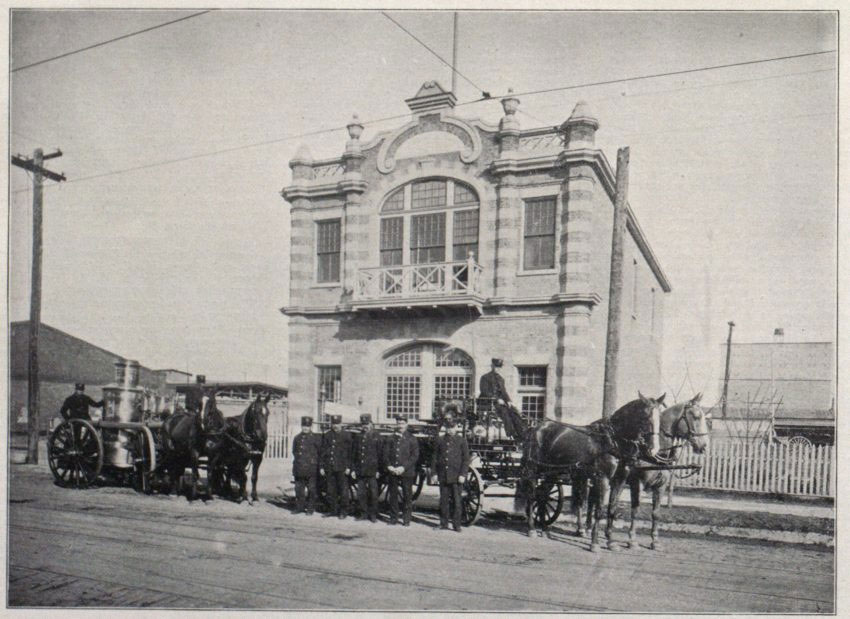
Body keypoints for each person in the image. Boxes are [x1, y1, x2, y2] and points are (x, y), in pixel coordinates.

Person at [430, 419, 471, 532]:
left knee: (457, 502)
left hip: (456, 476)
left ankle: (456, 525)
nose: (450, 430)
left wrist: (463, 474)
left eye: (453, 427)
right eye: (448, 427)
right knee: (443, 501)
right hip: (443, 475)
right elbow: (434, 458)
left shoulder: (461, 441)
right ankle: (443, 523)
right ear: (446, 428)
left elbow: (466, 460)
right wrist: (434, 474)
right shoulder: (440, 440)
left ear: (457, 428)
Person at [384, 416, 419, 526]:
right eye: (398, 423)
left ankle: (406, 519)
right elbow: (385, 454)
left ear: (406, 424)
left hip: (406, 472)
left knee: (407, 495)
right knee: (393, 495)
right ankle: (393, 518)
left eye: (402, 423)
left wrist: (403, 467)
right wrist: (389, 466)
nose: (400, 426)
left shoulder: (412, 438)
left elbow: (414, 456)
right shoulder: (390, 438)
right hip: (393, 471)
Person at [479, 358, 525, 440]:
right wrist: (496, 399)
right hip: (488, 403)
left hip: (500, 403)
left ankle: (521, 434)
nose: (498, 369)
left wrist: (509, 401)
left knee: (515, 412)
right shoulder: (485, 378)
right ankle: (510, 434)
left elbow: (504, 392)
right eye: (496, 367)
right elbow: (484, 391)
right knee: (504, 413)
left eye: (499, 367)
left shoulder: (501, 379)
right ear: (492, 366)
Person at [321, 414, 352, 519]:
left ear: (341, 424)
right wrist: (322, 467)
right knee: (331, 490)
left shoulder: (347, 436)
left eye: (337, 424)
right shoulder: (327, 435)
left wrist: (348, 467)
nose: (335, 426)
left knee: (343, 491)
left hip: (342, 468)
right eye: (333, 424)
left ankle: (344, 511)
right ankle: (332, 510)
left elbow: (351, 453)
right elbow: (323, 452)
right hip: (330, 467)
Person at [351, 413, 381, 522]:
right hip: (361, 470)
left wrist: (378, 470)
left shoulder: (376, 436)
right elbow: (354, 454)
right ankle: (363, 514)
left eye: (367, 424)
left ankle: (373, 515)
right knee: (361, 494)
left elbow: (380, 455)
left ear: (371, 424)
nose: (365, 426)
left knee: (373, 494)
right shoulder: (358, 437)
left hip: (372, 470)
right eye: (363, 424)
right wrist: (353, 469)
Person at [292, 416, 321, 515]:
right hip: (299, 468)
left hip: (311, 468)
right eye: (304, 426)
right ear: (301, 426)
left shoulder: (315, 438)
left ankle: (310, 508)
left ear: (311, 426)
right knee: (299, 489)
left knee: (312, 490)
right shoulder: (297, 438)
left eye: (307, 426)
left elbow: (319, 452)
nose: (305, 428)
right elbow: (294, 452)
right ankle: (299, 507)